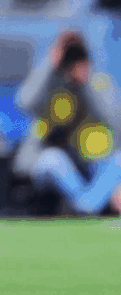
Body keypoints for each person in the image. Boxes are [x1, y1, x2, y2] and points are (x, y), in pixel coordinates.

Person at [14, 32, 121, 216]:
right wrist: (50, 63)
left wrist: (86, 81)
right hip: (54, 157)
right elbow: (23, 102)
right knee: (52, 160)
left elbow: (114, 120)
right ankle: (87, 204)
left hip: (93, 160)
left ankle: (86, 204)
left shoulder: (99, 82)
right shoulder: (48, 84)